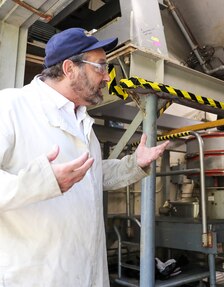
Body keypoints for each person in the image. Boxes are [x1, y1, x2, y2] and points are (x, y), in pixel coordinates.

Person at [0, 28, 169, 286]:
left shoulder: (81, 121)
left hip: (88, 272)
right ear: (69, 68)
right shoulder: (11, 107)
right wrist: (43, 181)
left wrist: (135, 164)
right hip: (37, 276)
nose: (106, 77)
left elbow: (90, 175)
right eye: (100, 67)